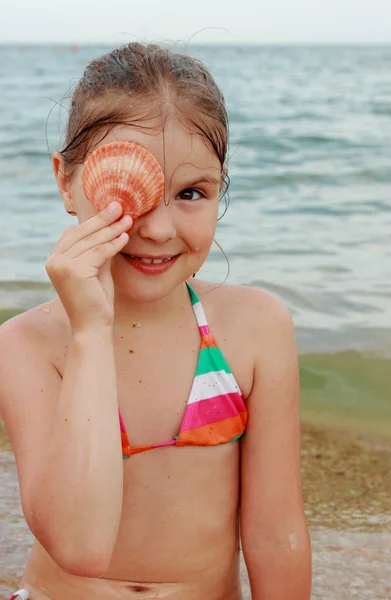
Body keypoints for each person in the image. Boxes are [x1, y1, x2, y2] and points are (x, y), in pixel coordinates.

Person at [0, 43, 311, 600]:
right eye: (129, 193)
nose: (159, 229)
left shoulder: (257, 329)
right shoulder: (28, 345)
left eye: (192, 193)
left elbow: (276, 534)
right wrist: (91, 334)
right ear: (67, 183)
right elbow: (80, 546)